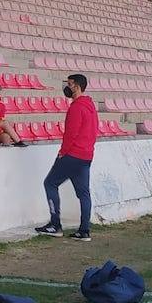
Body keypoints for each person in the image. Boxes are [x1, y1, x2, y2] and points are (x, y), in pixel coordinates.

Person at [35, 74, 98, 240]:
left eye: (69, 84)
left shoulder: (76, 107)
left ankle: (55, 225)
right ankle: (84, 230)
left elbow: (70, 134)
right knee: (84, 193)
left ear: (76, 86)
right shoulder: (90, 106)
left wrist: (63, 152)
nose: (67, 87)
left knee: (50, 183)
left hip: (73, 154)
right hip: (86, 155)